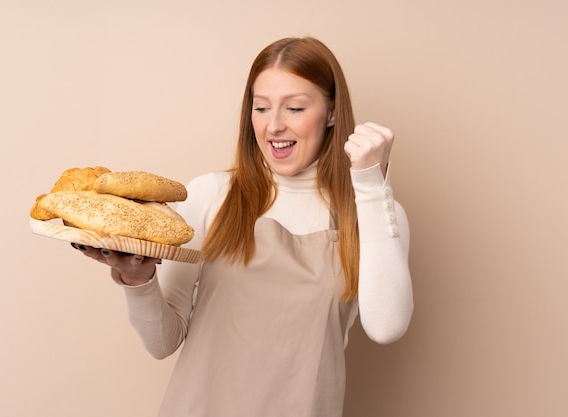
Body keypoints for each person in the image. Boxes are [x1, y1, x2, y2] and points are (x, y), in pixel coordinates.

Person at [72, 37, 413, 417]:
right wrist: (137, 279)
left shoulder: (372, 212)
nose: (273, 126)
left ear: (332, 113)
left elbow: (387, 327)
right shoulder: (212, 195)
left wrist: (369, 184)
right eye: (261, 107)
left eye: (295, 107)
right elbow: (162, 342)